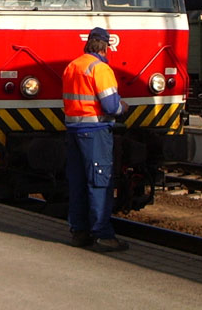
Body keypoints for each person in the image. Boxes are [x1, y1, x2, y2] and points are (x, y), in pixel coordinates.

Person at [62, 27, 129, 251]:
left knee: (78, 183)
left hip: (74, 131)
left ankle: (79, 232)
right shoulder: (100, 69)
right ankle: (102, 234)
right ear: (105, 47)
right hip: (96, 132)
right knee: (100, 182)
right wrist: (123, 108)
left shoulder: (73, 66)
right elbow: (111, 105)